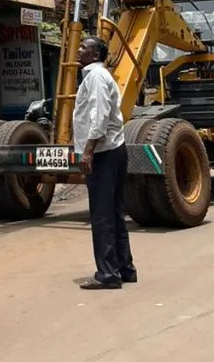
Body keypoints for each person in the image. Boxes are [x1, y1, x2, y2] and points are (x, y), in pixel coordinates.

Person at [73, 36, 136, 290]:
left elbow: (98, 117)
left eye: (83, 47)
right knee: (114, 213)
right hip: (112, 150)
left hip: (103, 153)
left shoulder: (96, 77)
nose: (78, 50)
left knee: (102, 216)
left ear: (95, 54)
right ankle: (124, 268)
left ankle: (108, 274)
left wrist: (88, 151)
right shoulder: (96, 76)